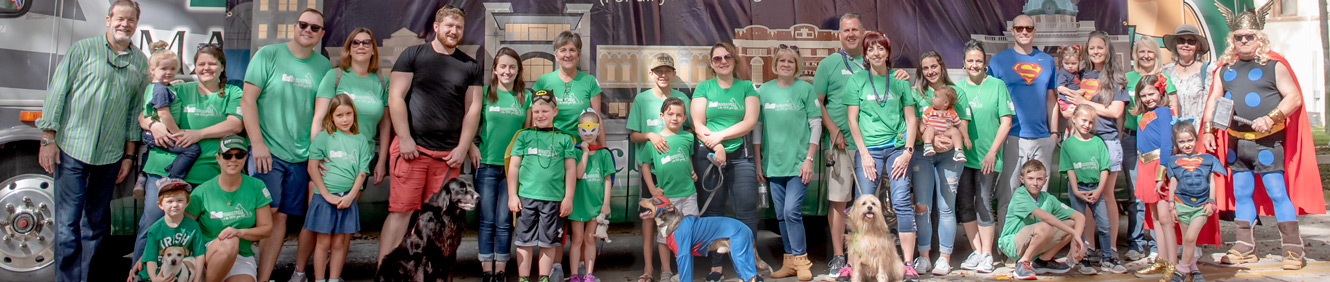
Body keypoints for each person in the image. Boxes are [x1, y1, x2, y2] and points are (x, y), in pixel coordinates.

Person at [1202, 4, 1324, 270]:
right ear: (1231, 39)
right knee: (1241, 192)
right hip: (1237, 141)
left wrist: (1271, 117)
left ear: (1259, 37)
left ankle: (1293, 249)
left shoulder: (1274, 65)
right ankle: (1245, 247)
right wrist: (1209, 130)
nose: (1244, 40)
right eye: (1239, 36)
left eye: (1249, 36)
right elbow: (1213, 99)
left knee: (1277, 191)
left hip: (1268, 141)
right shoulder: (1225, 69)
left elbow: (1294, 98)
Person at [38, 2, 149, 281]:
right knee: (66, 225)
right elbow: (57, 91)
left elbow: (133, 110)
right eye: (120, 18)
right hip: (72, 149)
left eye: (131, 20)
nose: (125, 24)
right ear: (108, 19)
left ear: (137, 24)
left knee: (95, 225)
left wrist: (128, 155)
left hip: (111, 156)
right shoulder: (82, 50)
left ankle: (84, 277)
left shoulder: (140, 61)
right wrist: (47, 138)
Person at [379, 5, 484, 265]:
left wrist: (463, 147)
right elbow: (395, 97)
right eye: (449, 25)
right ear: (436, 27)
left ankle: (430, 273)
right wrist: (404, 138)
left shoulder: (470, 66)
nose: (454, 31)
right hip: (412, 152)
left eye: (459, 27)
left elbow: (473, 110)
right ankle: (386, 273)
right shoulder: (413, 55)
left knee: (440, 218)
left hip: (448, 158)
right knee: (400, 214)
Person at [289, 28, 392, 282]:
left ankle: (334, 277)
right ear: (348, 48)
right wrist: (319, 155)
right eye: (355, 42)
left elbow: (386, 125)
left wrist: (380, 160)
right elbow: (319, 118)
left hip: (358, 161)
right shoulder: (334, 76)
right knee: (315, 224)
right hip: (328, 161)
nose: (361, 46)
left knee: (342, 225)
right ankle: (300, 272)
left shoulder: (381, 82)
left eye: (367, 42)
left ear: (373, 48)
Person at [130, 44, 245, 267]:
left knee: (199, 233)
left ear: (222, 67)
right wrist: (153, 125)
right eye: (201, 64)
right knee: (154, 224)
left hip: (208, 174)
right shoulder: (180, 89)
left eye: (212, 63)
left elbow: (235, 124)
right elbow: (145, 115)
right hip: (166, 172)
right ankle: (139, 274)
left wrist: (198, 134)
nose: (206, 68)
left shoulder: (232, 92)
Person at [240, 8, 332, 281]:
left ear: (322, 34)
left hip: (302, 156)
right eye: (303, 24)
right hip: (267, 152)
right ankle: (242, 272)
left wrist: (317, 152)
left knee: (281, 218)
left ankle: (264, 276)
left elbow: (321, 114)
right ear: (294, 26)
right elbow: (247, 101)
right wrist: (257, 143)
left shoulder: (324, 66)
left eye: (315, 27)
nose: (308, 30)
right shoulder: (267, 55)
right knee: (265, 214)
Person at [844, 31, 920, 280]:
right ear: (865, 55)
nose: (876, 53)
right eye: (871, 49)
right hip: (870, 150)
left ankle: (908, 263)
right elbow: (852, 121)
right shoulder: (856, 81)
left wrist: (907, 152)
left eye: (881, 49)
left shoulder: (900, 80)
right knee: (862, 204)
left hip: (898, 148)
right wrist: (864, 155)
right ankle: (854, 265)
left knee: (900, 203)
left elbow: (911, 118)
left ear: (887, 52)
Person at [689, 42, 763, 281]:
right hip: (709, 156)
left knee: (746, 213)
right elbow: (697, 124)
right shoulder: (704, 88)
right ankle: (716, 267)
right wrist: (716, 145)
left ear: (734, 59)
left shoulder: (746, 87)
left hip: (741, 157)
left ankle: (748, 269)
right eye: (717, 58)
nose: (722, 61)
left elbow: (750, 121)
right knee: (713, 212)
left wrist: (721, 136)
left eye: (727, 57)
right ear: (712, 64)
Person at [1060, 31, 1129, 272]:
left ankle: (1110, 251)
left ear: (1107, 49)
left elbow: (1115, 112)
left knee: (1105, 195)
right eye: (1092, 48)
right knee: (1085, 197)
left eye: (1100, 47)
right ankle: (1087, 248)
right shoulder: (1080, 76)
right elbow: (1067, 106)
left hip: (1107, 140)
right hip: (1081, 141)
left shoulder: (1116, 77)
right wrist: (1070, 108)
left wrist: (1084, 104)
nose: (1096, 52)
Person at [752, 44, 820, 281]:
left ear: (796, 65)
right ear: (775, 64)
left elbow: (816, 125)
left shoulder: (805, 90)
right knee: (780, 214)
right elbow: (757, 128)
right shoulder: (764, 91)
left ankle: (802, 260)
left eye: (790, 62)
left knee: (792, 211)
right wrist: (759, 162)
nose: (786, 65)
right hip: (773, 165)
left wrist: (809, 159)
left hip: (799, 164)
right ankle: (789, 262)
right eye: (782, 61)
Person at [988, 15, 1059, 234]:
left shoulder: (1046, 61)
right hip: (1011, 136)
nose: (1024, 32)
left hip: (1041, 137)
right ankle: (1008, 246)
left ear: (1035, 31)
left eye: (1029, 28)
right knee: (1007, 195)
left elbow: (1051, 99)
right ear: (1012, 30)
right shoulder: (998, 61)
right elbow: (991, 100)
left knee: (1040, 196)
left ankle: (1035, 248)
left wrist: (1054, 134)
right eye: (1019, 28)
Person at [627, 53, 690, 282]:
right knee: (648, 223)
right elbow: (634, 136)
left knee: (675, 223)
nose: (663, 75)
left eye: (667, 71)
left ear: (673, 74)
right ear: (651, 74)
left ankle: (672, 269)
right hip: (650, 176)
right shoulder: (642, 100)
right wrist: (650, 135)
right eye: (658, 71)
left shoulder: (682, 98)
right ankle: (647, 270)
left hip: (674, 175)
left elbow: (688, 131)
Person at [811, 14, 865, 277]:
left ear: (863, 32)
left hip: (870, 145)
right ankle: (838, 256)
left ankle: (861, 255)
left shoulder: (873, 61)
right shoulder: (829, 64)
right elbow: (817, 102)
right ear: (839, 35)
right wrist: (833, 129)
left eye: (855, 29)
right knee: (839, 201)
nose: (851, 34)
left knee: (866, 203)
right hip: (839, 145)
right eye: (846, 30)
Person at [906, 51, 968, 276]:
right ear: (920, 71)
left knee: (946, 207)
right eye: (926, 68)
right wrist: (930, 139)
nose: (931, 71)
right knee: (922, 207)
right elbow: (913, 125)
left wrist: (950, 143)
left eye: (934, 66)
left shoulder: (956, 92)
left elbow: (962, 126)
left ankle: (944, 258)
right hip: (923, 155)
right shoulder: (916, 93)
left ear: (941, 66)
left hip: (950, 157)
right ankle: (923, 258)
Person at [507, 91, 578, 282]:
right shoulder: (523, 136)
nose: (540, 115)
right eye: (536, 111)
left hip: (553, 199)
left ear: (554, 111)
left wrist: (568, 197)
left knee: (549, 242)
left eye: (544, 111)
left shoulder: (565, 139)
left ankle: (544, 277)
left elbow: (570, 170)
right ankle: (523, 278)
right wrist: (512, 195)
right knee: (524, 241)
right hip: (526, 198)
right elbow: (513, 167)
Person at [955, 40, 1012, 274]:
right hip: (962, 158)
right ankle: (977, 251)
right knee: (965, 205)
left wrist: (992, 153)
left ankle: (988, 253)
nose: (975, 65)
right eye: (970, 61)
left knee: (984, 204)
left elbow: (1006, 121)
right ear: (964, 63)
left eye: (979, 60)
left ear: (985, 63)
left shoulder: (997, 86)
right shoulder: (958, 88)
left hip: (988, 158)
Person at [304, 94, 372, 282]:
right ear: (331, 117)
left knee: (340, 242)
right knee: (323, 241)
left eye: (348, 114)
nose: (345, 119)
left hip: (346, 198)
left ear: (354, 115)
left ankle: (334, 279)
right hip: (324, 198)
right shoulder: (324, 138)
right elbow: (312, 167)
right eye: (339, 115)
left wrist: (351, 196)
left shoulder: (360, 140)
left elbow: (362, 171)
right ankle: (319, 279)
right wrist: (325, 194)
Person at [1122, 37, 1178, 263]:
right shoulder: (1129, 82)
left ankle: (1164, 256)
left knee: (1161, 209)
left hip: (1157, 158)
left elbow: (1169, 132)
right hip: (1136, 149)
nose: (1145, 55)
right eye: (1141, 51)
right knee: (1144, 204)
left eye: (1150, 52)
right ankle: (1145, 249)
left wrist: (1164, 167)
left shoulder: (1163, 99)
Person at [189, 135, 275, 282]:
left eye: (239, 155)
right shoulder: (202, 191)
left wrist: (239, 232)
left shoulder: (256, 186)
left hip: (242, 256)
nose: (233, 159)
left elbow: (267, 229)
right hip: (208, 255)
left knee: (233, 240)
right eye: (228, 156)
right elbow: (184, 228)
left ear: (246, 158)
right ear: (218, 159)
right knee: (229, 242)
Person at [476, 47, 529, 282]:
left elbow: (527, 134)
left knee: (505, 221)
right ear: (495, 69)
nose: (507, 71)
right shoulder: (485, 94)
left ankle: (500, 271)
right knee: (487, 220)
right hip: (487, 165)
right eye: (503, 66)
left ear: (518, 71)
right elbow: (470, 124)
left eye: (512, 67)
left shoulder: (525, 97)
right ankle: (487, 271)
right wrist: (471, 148)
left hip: (512, 169)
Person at [640, 97, 700, 282]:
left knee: (689, 233)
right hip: (667, 198)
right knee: (664, 235)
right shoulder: (654, 142)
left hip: (689, 194)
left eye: (679, 115)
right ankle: (665, 271)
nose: (674, 118)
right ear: (662, 116)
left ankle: (685, 270)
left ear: (684, 118)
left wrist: (692, 172)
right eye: (670, 114)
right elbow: (645, 166)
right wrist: (652, 188)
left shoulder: (688, 137)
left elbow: (687, 157)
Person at [999, 160, 1087, 281]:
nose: (1035, 183)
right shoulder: (1019, 195)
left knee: (1071, 224)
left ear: (1045, 180)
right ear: (1022, 179)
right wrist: (1075, 234)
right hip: (1012, 244)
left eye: (1039, 179)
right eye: (1030, 178)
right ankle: (1022, 263)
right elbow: (1045, 217)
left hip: (1035, 239)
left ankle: (1043, 262)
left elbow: (1079, 217)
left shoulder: (1047, 198)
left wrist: (1074, 244)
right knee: (1045, 227)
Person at [1130, 74, 1179, 279]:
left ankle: (1173, 264)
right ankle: (1161, 259)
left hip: (1159, 167)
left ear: (1161, 92)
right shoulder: (1144, 115)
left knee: (1165, 218)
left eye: (1151, 93)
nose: (1148, 98)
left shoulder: (1164, 112)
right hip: (1145, 166)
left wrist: (1162, 174)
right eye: (1143, 95)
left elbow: (1167, 144)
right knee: (1156, 219)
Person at [1059, 105, 1116, 275]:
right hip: (1078, 189)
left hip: (1095, 188)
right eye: (1084, 120)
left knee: (1105, 225)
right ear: (1074, 119)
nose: (1087, 125)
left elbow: (1105, 168)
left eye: (1091, 122)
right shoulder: (1068, 144)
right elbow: (1069, 168)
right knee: (1080, 226)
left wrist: (1099, 190)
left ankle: (1108, 259)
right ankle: (1082, 259)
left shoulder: (1097, 142)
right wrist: (1076, 191)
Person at [1163, 121, 1223, 282]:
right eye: (1181, 142)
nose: (1186, 144)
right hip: (1181, 204)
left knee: (1190, 238)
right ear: (1176, 143)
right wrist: (1171, 205)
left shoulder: (1208, 159)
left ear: (1195, 138)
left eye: (1189, 140)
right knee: (1188, 239)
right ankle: (1193, 268)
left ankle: (1181, 270)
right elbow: (1173, 183)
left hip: (1201, 206)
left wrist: (1212, 202)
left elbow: (1212, 181)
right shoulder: (1173, 161)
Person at [141, 41, 202, 180]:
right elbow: (163, 114)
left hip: (149, 134)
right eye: (163, 69)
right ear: (152, 70)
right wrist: (178, 133)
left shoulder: (158, 86)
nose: (168, 72)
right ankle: (174, 177)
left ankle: (149, 175)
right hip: (159, 133)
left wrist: (171, 85)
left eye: (172, 69)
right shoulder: (161, 90)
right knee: (192, 149)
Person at [533, 30, 604, 145]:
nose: (568, 55)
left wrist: (603, 150)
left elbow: (597, 119)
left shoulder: (590, 81)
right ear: (556, 56)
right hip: (550, 147)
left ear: (578, 55)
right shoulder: (543, 81)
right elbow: (535, 119)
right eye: (563, 50)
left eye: (572, 50)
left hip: (581, 148)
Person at [570, 111, 614, 282]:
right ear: (579, 131)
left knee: (590, 239)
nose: (588, 134)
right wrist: (585, 153)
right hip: (578, 203)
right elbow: (579, 174)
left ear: (598, 131)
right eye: (584, 130)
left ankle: (589, 274)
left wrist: (606, 204)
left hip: (596, 205)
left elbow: (607, 180)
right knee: (577, 239)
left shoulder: (604, 154)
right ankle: (574, 274)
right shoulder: (576, 153)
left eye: (592, 130)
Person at [132, 179, 206, 282]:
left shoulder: (193, 227)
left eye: (180, 200)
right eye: (169, 201)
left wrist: (197, 279)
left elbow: (199, 254)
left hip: (181, 274)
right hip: (156, 274)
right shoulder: (155, 229)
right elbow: (151, 259)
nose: (175, 205)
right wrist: (155, 279)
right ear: (160, 205)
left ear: (187, 203)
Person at [1160, 24, 1212, 122]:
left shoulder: (1207, 71)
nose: (1186, 45)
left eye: (1191, 41)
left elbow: (1211, 104)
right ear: (1176, 44)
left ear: (1197, 46)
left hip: (1197, 130)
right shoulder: (1166, 71)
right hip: (1173, 130)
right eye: (1181, 41)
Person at [1054, 45, 1090, 114]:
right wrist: (1075, 93)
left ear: (1079, 62)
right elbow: (1060, 88)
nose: (1070, 66)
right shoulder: (1063, 73)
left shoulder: (1077, 73)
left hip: (1074, 100)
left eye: (1073, 63)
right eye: (1066, 63)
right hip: (1066, 101)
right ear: (1062, 62)